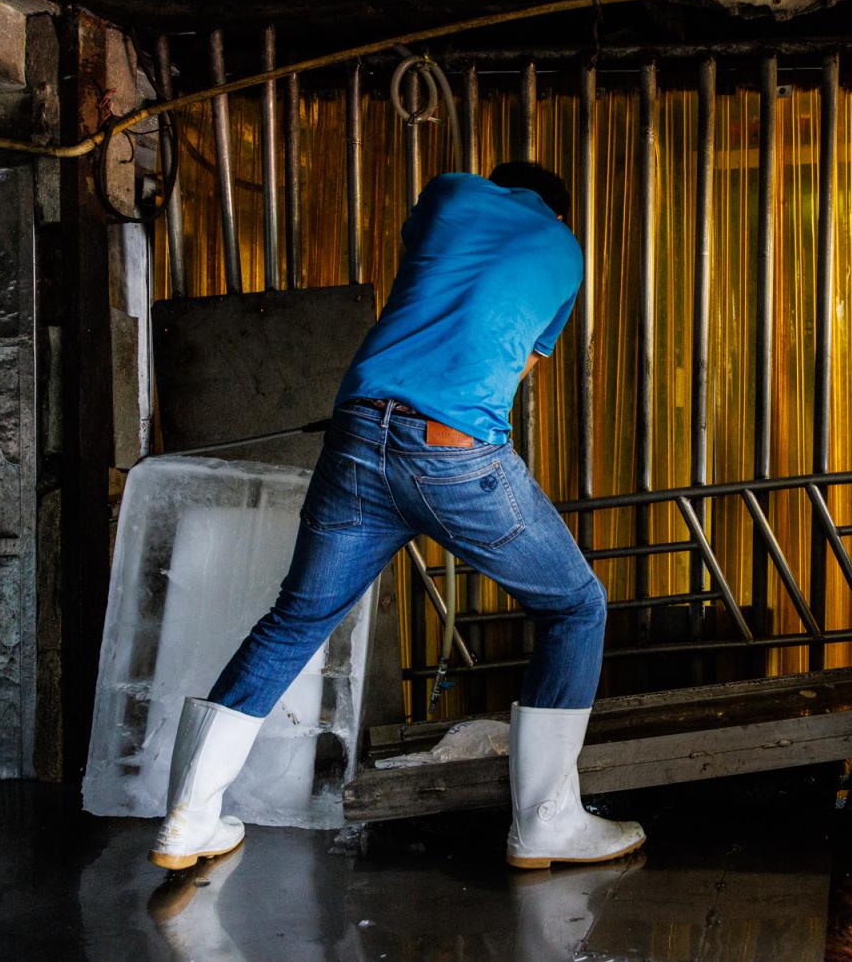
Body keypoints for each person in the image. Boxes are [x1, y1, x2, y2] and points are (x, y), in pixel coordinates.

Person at [148, 162, 645, 872]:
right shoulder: (565, 254)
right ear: (557, 211)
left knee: (294, 620)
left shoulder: (449, 191)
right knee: (575, 605)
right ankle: (546, 821)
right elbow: (515, 366)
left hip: (357, 435)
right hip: (454, 453)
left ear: (499, 184)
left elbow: (424, 271)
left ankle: (187, 817)